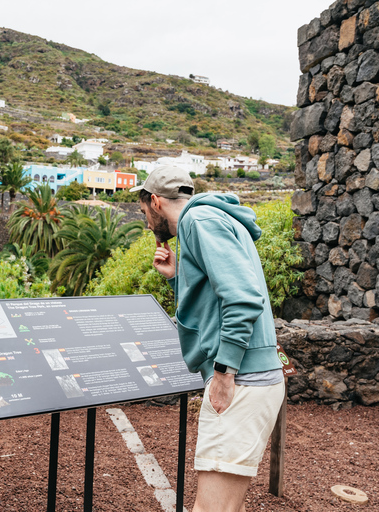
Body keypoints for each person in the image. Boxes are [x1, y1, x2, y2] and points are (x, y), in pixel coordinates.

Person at [130, 165, 285, 512]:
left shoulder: (199, 222)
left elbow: (243, 298)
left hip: (242, 380)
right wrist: (176, 277)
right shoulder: (213, 219)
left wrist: (224, 374)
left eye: (144, 213)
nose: (146, 223)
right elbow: (215, 301)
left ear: (155, 202)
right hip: (254, 378)